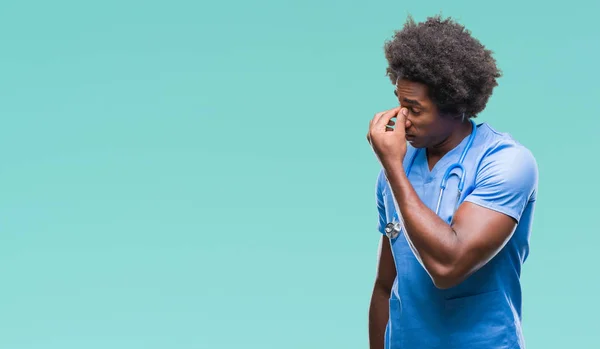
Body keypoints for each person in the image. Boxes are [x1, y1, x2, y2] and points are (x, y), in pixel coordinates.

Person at [366, 15, 539, 349]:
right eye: (399, 103)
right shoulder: (397, 166)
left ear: (455, 106)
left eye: (414, 109)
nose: (401, 119)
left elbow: (449, 266)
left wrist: (393, 170)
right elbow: (386, 286)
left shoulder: (506, 162)